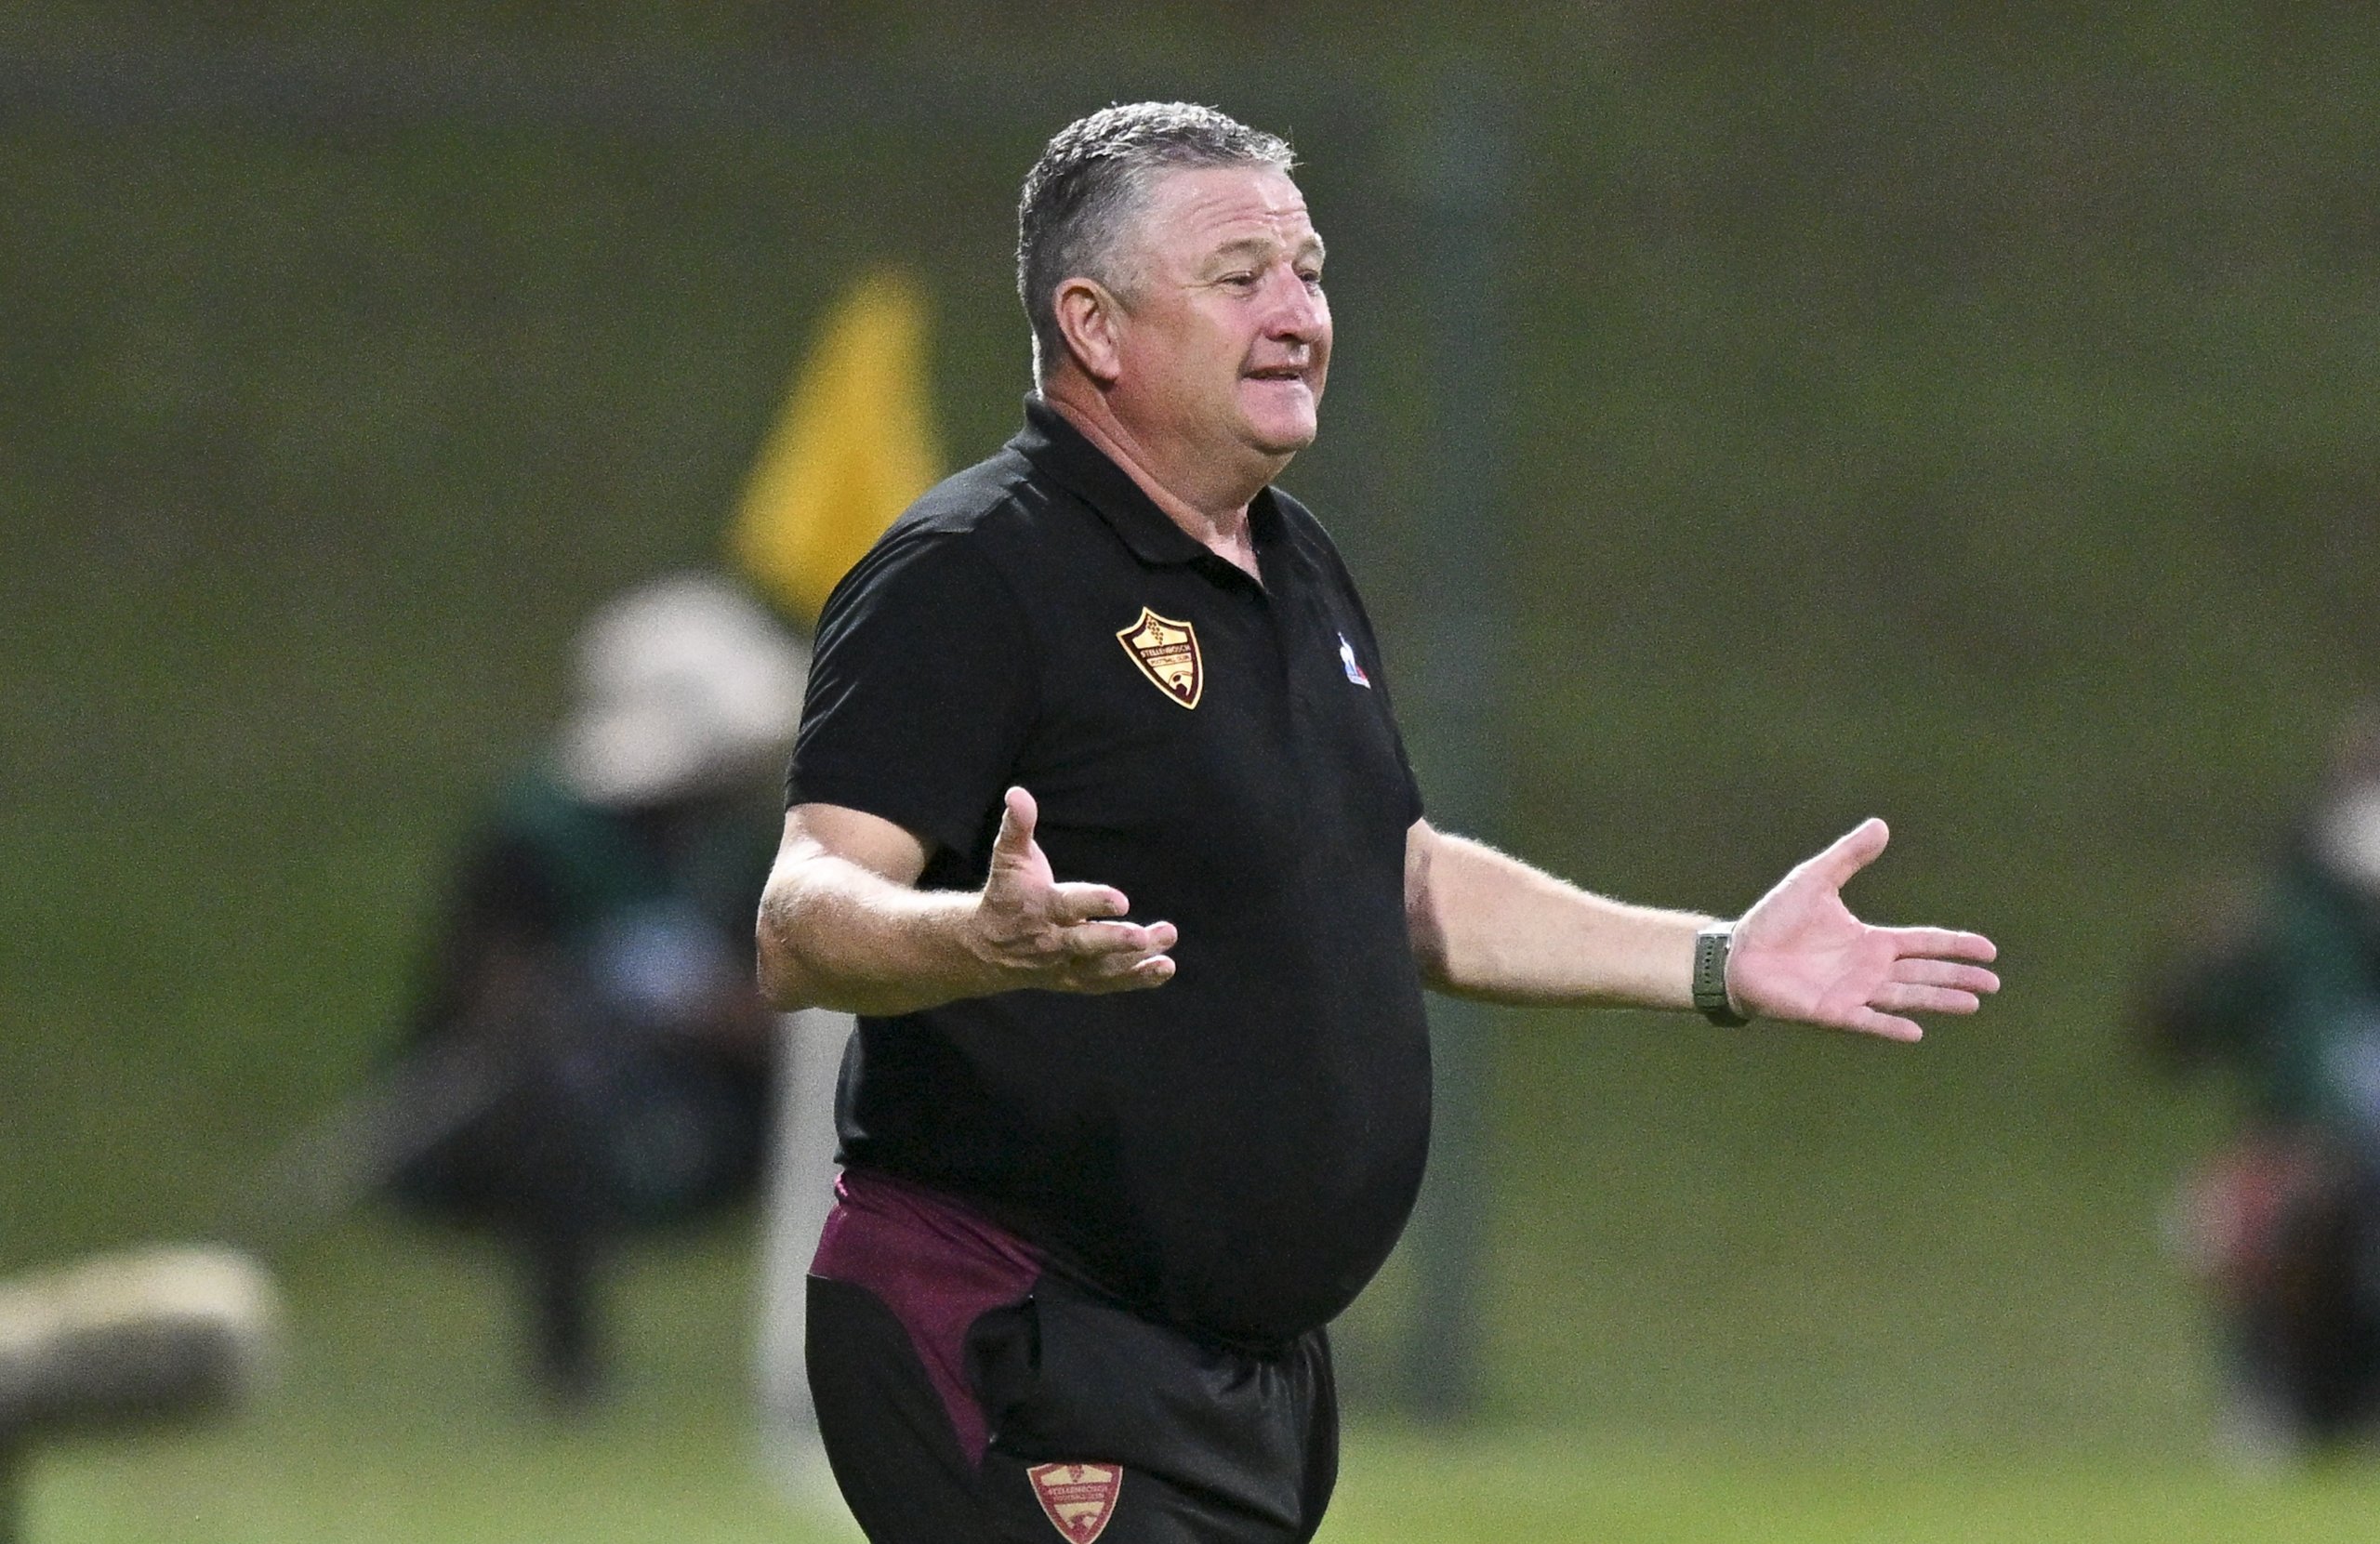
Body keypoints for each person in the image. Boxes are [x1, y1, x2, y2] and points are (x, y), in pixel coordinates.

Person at [755, 102, 2002, 1542]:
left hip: (1247, 1382)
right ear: (1094, 325)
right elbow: (800, 918)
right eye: (1241, 277)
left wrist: (1718, 957)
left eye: (1312, 269)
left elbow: (1392, 881)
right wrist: (976, 936)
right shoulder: (971, 572)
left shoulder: (1296, 566)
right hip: (1020, 1330)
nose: (1297, 314)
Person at [398, 573, 805, 1407]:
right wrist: (580, 997)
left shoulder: (746, 846)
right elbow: (481, 1005)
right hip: (541, 1108)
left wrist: (699, 1008)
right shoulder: (536, 838)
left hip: (707, 1100)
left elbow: (775, 1014)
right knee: (553, 1110)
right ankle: (569, 1374)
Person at [2147, 707, 2380, 1456]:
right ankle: (2269, 1402)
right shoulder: (2290, 918)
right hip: (2303, 1143)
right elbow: (2179, 1033)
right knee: (2260, 1222)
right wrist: (2204, 961)